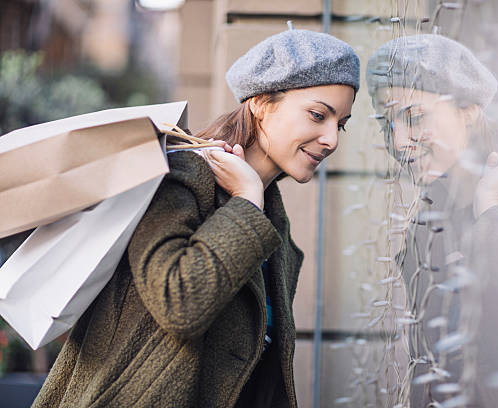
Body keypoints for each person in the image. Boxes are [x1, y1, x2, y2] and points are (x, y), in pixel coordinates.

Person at [33, 28, 359, 408]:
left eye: (341, 124)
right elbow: (179, 303)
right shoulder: (181, 177)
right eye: (318, 115)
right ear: (261, 103)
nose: (332, 139)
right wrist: (247, 202)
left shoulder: (275, 225)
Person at [365, 35, 498, 407]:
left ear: (468, 110)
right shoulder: (431, 216)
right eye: (387, 123)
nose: (398, 141)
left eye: (413, 117)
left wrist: (491, 208)